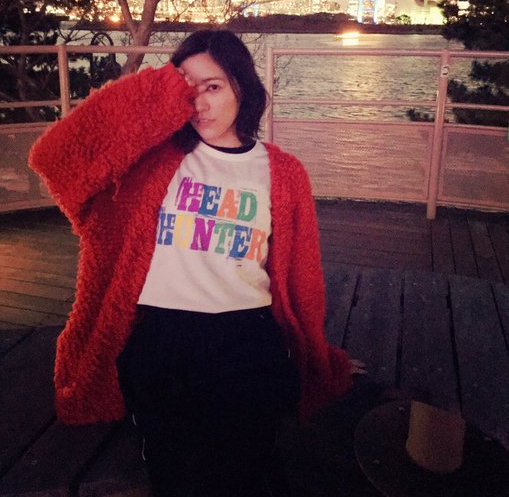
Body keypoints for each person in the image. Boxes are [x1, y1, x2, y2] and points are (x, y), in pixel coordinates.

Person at [29, 29, 354, 497]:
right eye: (186, 86)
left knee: (249, 468)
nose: (198, 103)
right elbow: (55, 158)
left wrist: (314, 351)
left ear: (243, 87)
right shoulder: (149, 160)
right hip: (162, 336)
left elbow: (301, 275)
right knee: (176, 471)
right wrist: (157, 91)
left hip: (245, 335)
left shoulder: (283, 172)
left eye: (213, 86)